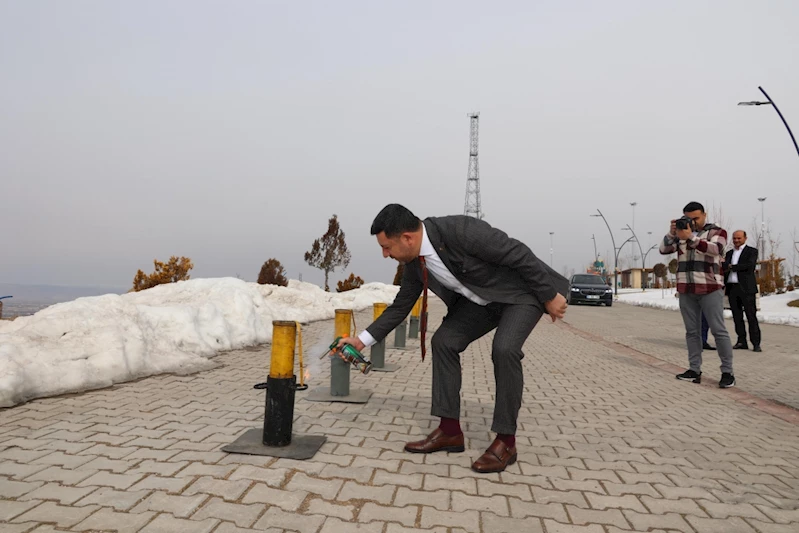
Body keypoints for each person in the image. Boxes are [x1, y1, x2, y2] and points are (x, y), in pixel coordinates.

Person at [337, 204, 568, 473]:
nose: (385, 254)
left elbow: (518, 253)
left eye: (387, 247)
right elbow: (400, 306)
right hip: (481, 304)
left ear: (407, 238)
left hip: (520, 295)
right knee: (444, 342)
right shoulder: (414, 264)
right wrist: (361, 340)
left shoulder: (460, 230)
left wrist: (549, 295)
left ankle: (506, 442)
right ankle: (449, 431)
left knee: (505, 349)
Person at [659, 201, 735, 388]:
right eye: (688, 218)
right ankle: (694, 370)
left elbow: (715, 249)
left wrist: (690, 237)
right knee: (692, 332)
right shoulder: (681, 234)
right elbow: (663, 249)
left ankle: (727, 373)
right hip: (686, 289)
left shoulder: (717, 232)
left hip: (710, 288)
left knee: (718, 330)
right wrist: (672, 233)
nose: (693, 222)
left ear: (704, 215)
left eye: (696, 218)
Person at [723, 230, 762, 352]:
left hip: (746, 288)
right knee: (737, 316)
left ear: (745, 238)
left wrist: (732, 267)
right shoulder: (729, 253)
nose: (736, 240)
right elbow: (724, 267)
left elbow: (749, 266)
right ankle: (741, 341)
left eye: (739, 238)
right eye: (734, 238)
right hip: (732, 288)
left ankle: (756, 343)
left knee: (751, 316)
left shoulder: (752, 251)